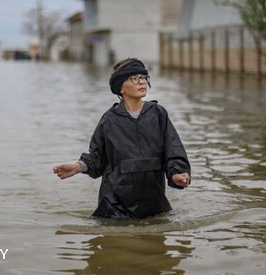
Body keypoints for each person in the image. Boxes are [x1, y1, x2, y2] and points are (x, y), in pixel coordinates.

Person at [53, 58, 191, 219]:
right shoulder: (109, 120)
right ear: (120, 87)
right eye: (134, 78)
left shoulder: (158, 114)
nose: (141, 82)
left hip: (154, 202)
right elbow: (98, 157)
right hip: (115, 206)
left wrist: (177, 173)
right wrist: (78, 167)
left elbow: (173, 149)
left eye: (143, 77)